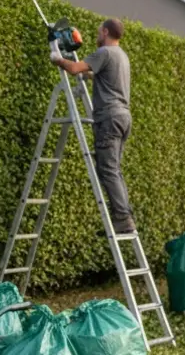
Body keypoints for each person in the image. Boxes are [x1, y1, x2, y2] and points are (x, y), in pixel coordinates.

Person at [50, 18, 134, 235]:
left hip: (109, 117)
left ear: (105, 32)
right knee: (112, 170)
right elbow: (94, 74)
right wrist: (86, 73)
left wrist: (58, 59)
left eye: (99, 32)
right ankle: (123, 216)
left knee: (108, 170)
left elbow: (75, 68)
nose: (97, 36)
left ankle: (123, 218)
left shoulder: (105, 53)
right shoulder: (121, 56)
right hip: (123, 117)